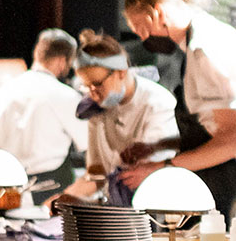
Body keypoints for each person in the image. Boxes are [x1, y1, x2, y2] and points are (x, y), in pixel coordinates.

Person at [118, 0, 236, 213]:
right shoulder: (204, 38)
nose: (143, 38)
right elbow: (209, 126)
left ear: (157, 12)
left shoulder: (204, 49)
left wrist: (160, 168)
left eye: (141, 28)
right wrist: (157, 147)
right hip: (210, 182)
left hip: (218, 191)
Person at [54, 32, 177, 207]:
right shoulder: (96, 108)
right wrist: (65, 198)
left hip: (155, 205)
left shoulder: (157, 103)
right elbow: (96, 176)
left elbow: (149, 171)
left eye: (97, 84)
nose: (93, 94)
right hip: (117, 208)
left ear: (121, 72)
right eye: (86, 86)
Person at [0, 28, 86, 200]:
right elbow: (88, 144)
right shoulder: (66, 96)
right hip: (50, 194)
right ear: (63, 61)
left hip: (4, 193)